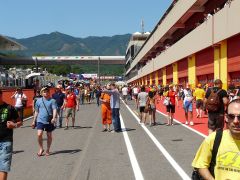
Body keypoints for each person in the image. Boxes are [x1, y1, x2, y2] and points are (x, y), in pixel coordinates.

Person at [192, 99, 240, 180]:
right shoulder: (214, 138)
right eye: (231, 116)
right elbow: (200, 164)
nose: (236, 121)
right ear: (226, 118)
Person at [0, 90, 22, 180]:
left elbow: (20, 121)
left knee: (3, 167)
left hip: (6, 141)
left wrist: (15, 125)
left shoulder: (9, 108)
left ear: (1, 95)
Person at [31, 87, 57, 156]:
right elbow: (36, 111)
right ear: (42, 93)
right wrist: (34, 121)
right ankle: (41, 148)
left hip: (49, 120)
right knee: (39, 134)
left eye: (47, 91)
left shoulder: (52, 100)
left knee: (49, 135)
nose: (46, 93)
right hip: (40, 120)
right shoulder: (38, 101)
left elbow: (54, 109)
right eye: (44, 92)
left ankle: (48, 149)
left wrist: (54, 118)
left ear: (49, 92)